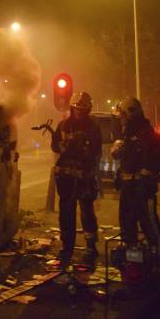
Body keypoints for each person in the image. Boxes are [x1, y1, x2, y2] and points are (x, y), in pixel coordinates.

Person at [51, 91, 102, 265]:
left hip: (84, 177)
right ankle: (67, 248)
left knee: (87, 211)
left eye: (83, 110)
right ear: (72, 108)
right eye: (77, 109)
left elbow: (96, 150)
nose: (79, 112)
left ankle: (90, 246)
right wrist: (63, 145)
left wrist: (83, 150)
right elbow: (55, 145)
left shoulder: (93, 127)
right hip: (65, 177)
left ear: (88, 110)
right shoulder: (64, 125)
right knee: (66, 213)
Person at [111, 97, 160, 258]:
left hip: (142, 188)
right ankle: (132, 258)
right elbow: (129, 160)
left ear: (131, 114)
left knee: (148, 220)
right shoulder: (128, 133)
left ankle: (157, 257)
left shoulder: (146, 133)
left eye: (122, 115)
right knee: (127, 221)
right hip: (129, 187)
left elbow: (151, 161)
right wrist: (120, 173)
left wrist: (145, 177)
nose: (120, 119)